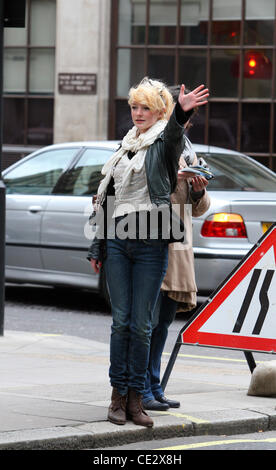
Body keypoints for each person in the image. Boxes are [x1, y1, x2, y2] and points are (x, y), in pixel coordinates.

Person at [87, 77, 209, 428]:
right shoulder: (124, 147)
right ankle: (117, 397)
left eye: (146, 108)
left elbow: (172, 135)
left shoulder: (165, 145)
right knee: (120, 323)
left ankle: (137, 400)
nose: (138, 113)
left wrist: (181, 116)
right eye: (134, 107)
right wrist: (98, 244)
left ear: (159, 113)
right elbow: (107, 200)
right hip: (119, 242)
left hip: (151, 244)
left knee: (142, 326)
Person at [142, 127, 211, 411]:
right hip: (153, 246)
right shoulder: (152, 149)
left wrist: (198, 190)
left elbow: (199, 209)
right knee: (147, 324)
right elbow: (146, 197)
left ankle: (155, 386)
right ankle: (141, 389)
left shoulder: (188, 153)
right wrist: (175, 179)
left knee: (163, 325)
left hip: (179, 249)